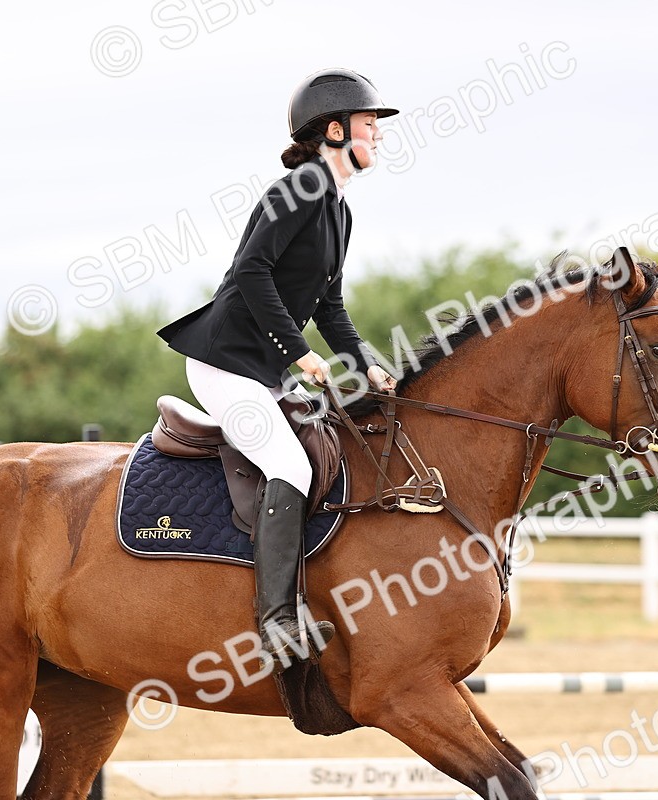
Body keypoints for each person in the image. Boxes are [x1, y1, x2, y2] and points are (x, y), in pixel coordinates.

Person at [156, 68, 398, 665]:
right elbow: (252, 271)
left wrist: (367, 364)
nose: (379, 134)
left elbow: (330, 307)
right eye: (370, 124)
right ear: (335, 130)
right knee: (288, 462)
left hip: (265, 368)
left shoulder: (338, 210)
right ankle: (276, 621)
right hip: (225, 363)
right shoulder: (300, 188)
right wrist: (299, 351)